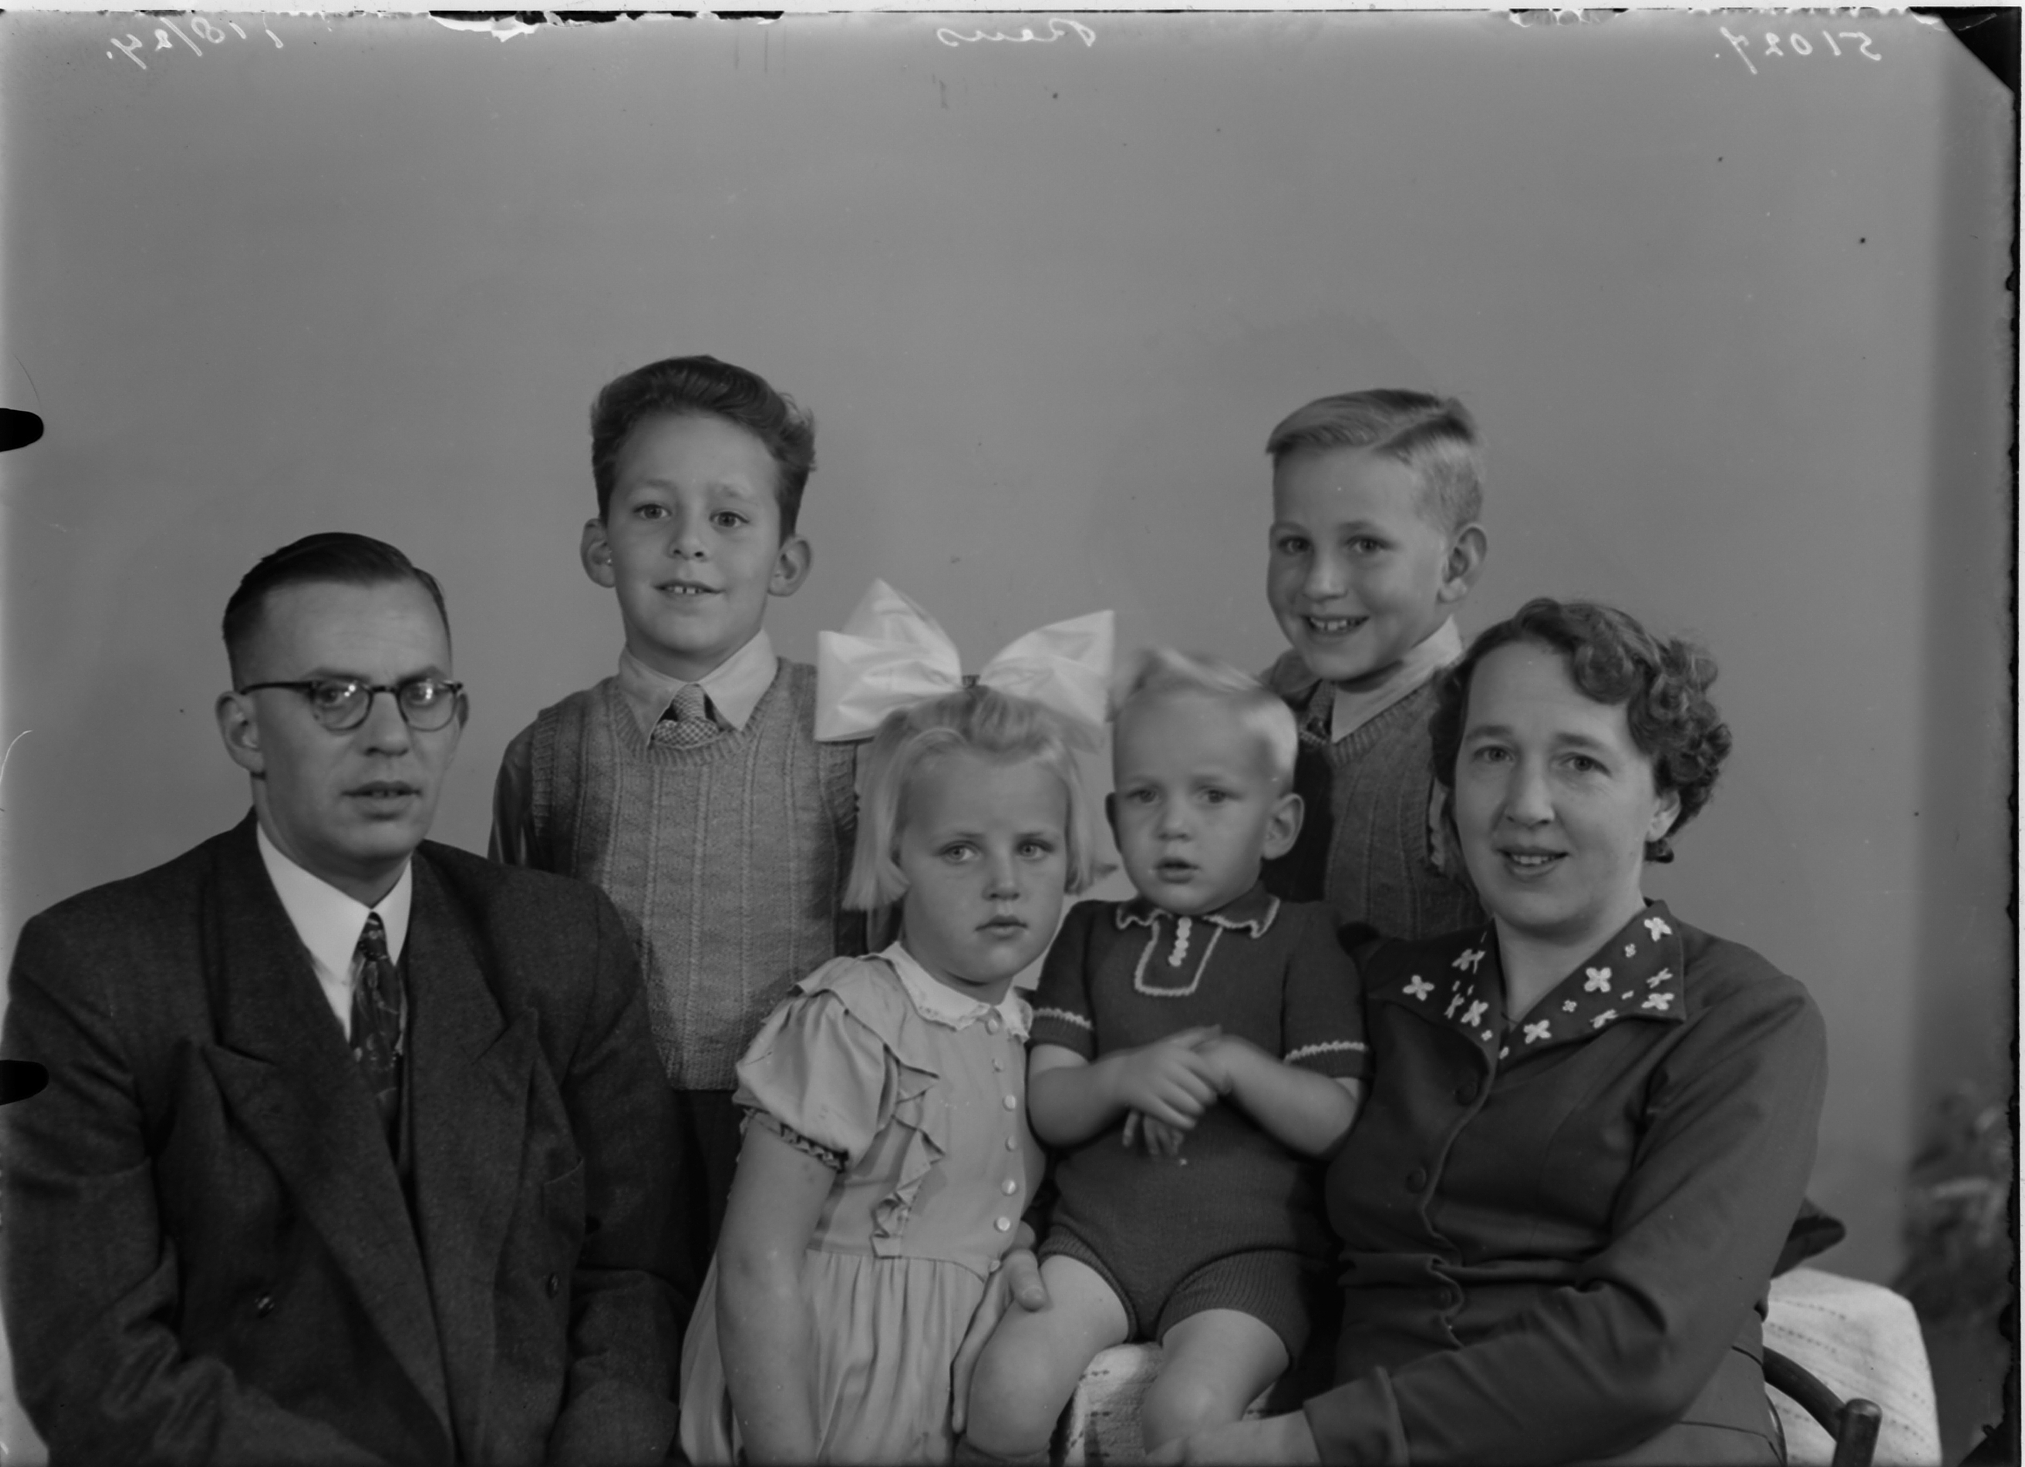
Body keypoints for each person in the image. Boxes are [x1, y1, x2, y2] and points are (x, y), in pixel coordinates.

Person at [1, 533, 684, 1465]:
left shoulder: (562, 941)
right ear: (244, 729)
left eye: (423, 693)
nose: (391, 735)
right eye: (335, 694)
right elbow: (96, 1369)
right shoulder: (100, 970)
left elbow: (635, 1277)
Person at [1156, 598, 1828, 1465]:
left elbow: (1645, 1344)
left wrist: (1303, 1442)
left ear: (1662, 799)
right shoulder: (1372, 989)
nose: (1524, 803)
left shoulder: (1744, 1017)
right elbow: (1177, 1129)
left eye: (1579, 762)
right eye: (1492, 754)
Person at [490, 354, 859, 1289]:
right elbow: (513, 989)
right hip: (610, 1143)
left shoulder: (849, 740)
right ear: (599, 547)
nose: (688, 543)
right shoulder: (550, 755)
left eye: (728, 518)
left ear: (786, 561)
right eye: (653, 510)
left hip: (804, 1140)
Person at [678, 680, 1103, 1465]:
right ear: (895, 855)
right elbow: (755, 1259)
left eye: (1032, 846)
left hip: (949, 1408)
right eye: (959, 849)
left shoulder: (1047, 1037)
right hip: (826, 1401)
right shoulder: (853, 1018)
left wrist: (1020, 1246)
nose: (1003, 881)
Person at [963, 651, 1367, 1460]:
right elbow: (1049, 1103)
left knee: (1186, 1410)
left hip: (1247, 1258)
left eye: (1212, 795)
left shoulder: (1304, 939)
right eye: (1146, 795)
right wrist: (1122, 1076)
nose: (1174, 824)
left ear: (1278, 823)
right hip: (1095, 1241)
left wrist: (1232, 1063)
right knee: (1005, 1390)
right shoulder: (1090, 933)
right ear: (1113, 819)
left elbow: (1335, 1120)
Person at [1259, 389, 1490, 942]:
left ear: (1455, 566)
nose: (1320, 584)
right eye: (1295, 545)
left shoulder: (1471, 740)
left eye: (1364, 545)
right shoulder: (1286, 690)